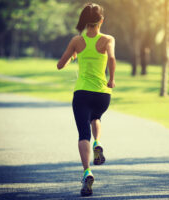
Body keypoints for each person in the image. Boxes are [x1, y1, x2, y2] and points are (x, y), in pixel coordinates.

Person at [57, 2, 116, 197]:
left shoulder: (76, 41)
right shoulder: (108, 39)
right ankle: (97, 142)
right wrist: (112, 79)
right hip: (102, 94)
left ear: (84, 20)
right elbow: (112, 59)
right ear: (101, 20)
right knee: (96, 118)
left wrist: (73, 55)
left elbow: (60, 65)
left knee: (83, 133)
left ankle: (87, 172)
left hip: (82, 93)